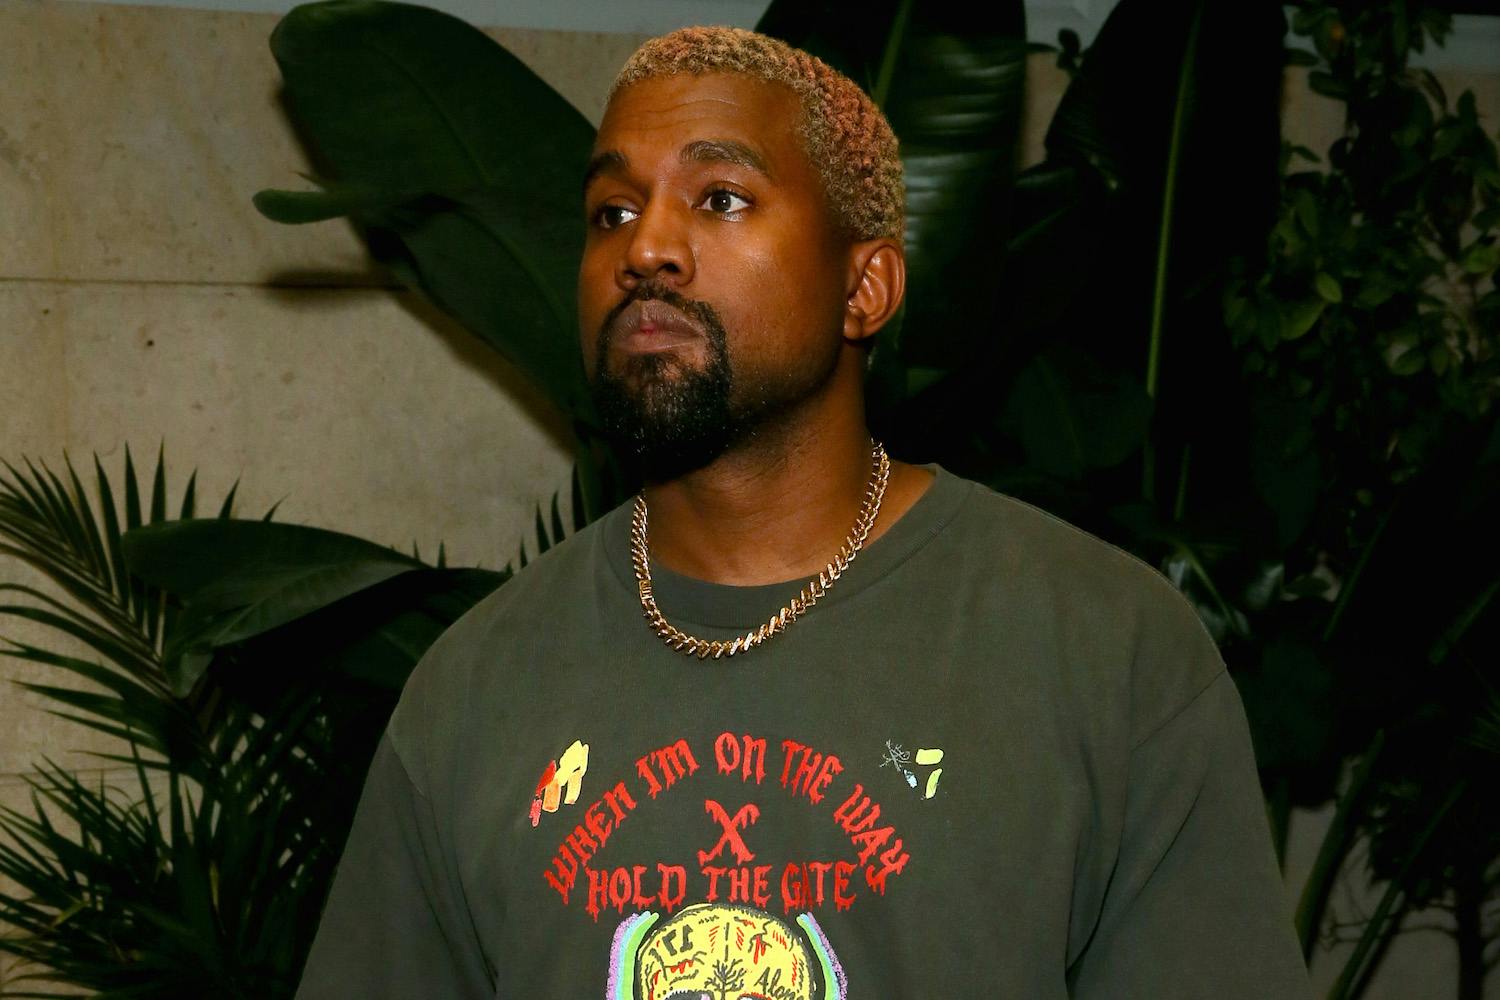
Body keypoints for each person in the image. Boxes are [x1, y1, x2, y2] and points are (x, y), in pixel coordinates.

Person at [296, 26, 1311, 999]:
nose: (646, 247)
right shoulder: (475, 689)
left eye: (721, 198)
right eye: (611, 212)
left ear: (864, 288)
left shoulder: (1106, 650)